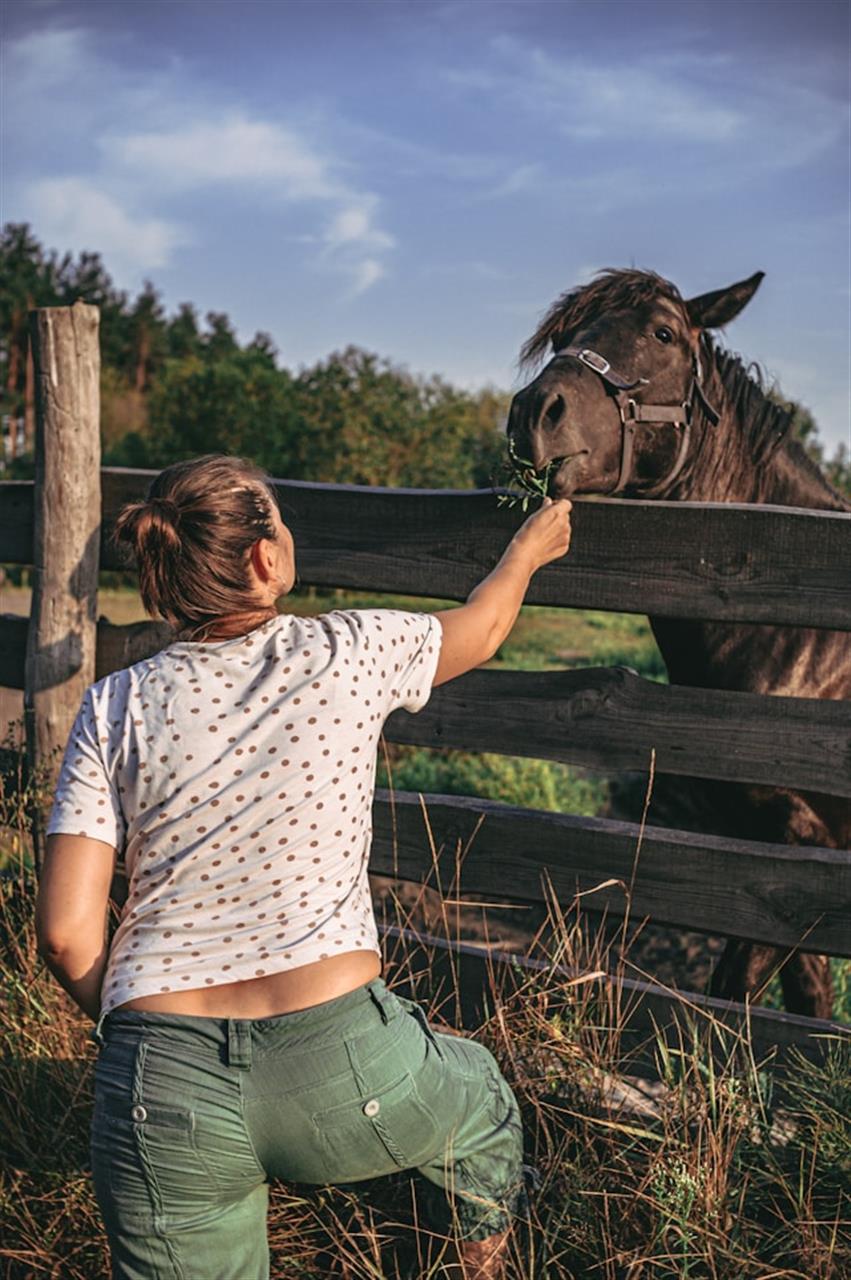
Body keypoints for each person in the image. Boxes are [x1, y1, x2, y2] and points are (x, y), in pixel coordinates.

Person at [35, 453, 572, 1280]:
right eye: (280, 522)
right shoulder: (349, 648)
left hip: (159, 1081)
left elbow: (68, 938)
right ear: (264, 559)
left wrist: (148, 1047)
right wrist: (528, 550)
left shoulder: (113, 705)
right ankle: (477, 1266)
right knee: (478, 1098)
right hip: (349, 1066)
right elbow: (484, 627)